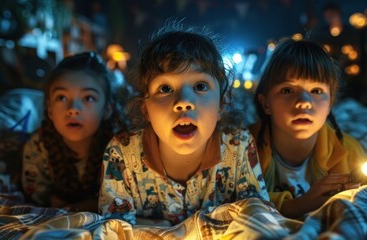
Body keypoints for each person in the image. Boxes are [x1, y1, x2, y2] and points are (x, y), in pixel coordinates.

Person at [98, 21, 269, 226]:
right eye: (165, 89)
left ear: (222, 104)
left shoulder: (238, 146)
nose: (184, 103)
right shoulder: (122, 153)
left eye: (200, 85)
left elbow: (257, 218)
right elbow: (114, 229)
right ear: (146, 109)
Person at [252, 39, 367, 219]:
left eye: (316, 91)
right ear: (265, 103)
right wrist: (296, 206)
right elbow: (235, 202)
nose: (304, 103)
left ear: (330, 103)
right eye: (287, 90)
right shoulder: (241, 150)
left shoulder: (350, 151)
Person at [22, 51, 116, 212]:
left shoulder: (122, 148)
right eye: (61, 98)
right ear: (50, 109)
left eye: (88, 98)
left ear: (107, 108)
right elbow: (36, 194)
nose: (73, 110)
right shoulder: (38, 146)